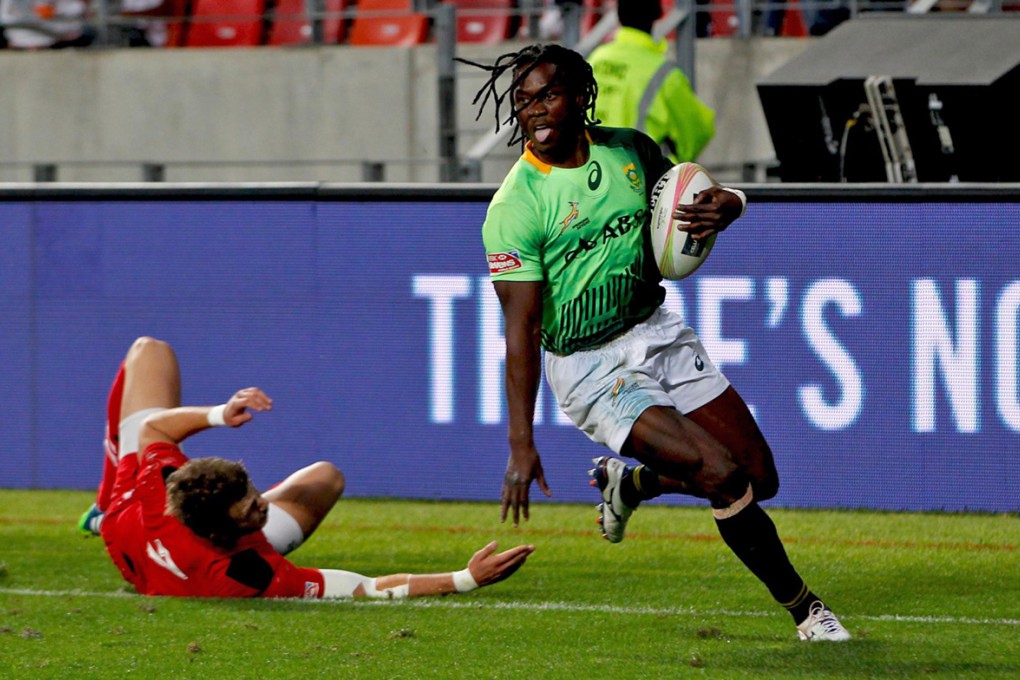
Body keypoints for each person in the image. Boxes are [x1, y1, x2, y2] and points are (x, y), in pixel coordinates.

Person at [460, 43, 850, 641]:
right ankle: (808, 611)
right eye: (524, 99)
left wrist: (733, 204)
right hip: (591, 368)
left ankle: (630, 482)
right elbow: (522, 330)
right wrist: (520, 442)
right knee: (721, 475)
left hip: (658, 332)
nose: (534, 111)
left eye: (548, 95)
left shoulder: (631, 151)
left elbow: (695, 198)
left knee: (758, 475)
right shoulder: (515, 206)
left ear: (581, 97)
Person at [78, 336, 534, 599]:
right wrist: (464, 579)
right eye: (252, 510)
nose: (261, 506)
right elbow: (365, 589)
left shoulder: (162, 488)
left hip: (131, 523)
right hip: (155, 558)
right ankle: (102, 509)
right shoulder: (246, 575)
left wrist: (221, 413)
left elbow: (155, 430)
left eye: (254, 495)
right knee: (150, 351)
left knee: (148, 351)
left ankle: (104, 505)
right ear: (223, 532)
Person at [587, 0, 715, 164]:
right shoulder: (664, 73)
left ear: (617, 15)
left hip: (591, 176)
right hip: (640, 179)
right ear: (659, 13)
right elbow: (697, 132)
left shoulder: (595, 59)